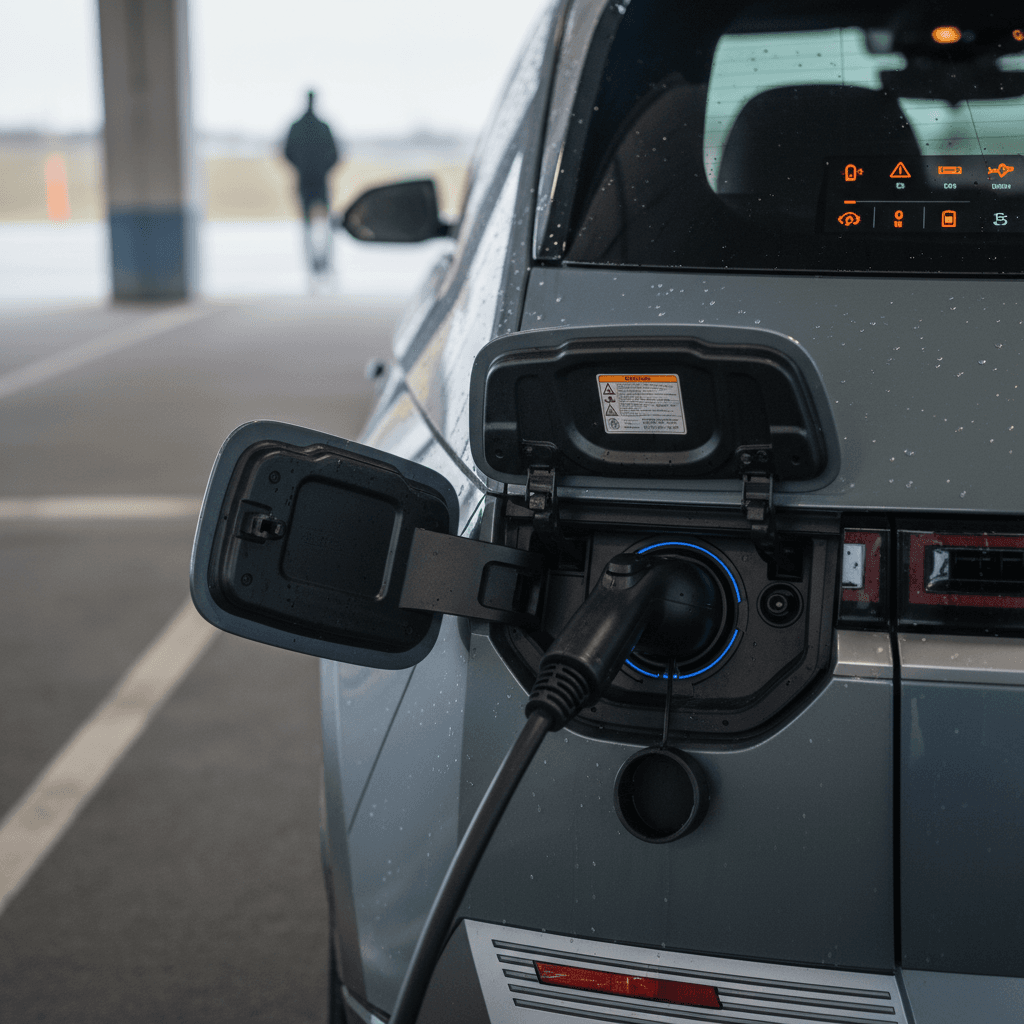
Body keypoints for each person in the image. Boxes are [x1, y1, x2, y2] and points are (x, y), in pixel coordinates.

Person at [284, 91, 342, 274]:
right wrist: (321, 168)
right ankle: (322, 263)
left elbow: (287, 152)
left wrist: (302, 167)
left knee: (310, 226)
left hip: (308, 181)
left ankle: (316, 264)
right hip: (318, 180)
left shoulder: (298, 126)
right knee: (322, 225)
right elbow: (335, 154)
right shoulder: (321, 127)